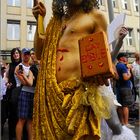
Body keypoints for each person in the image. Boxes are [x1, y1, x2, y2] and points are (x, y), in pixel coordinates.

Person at [32, 1, 136, 140]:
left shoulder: (96, 16)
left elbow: (103, 59)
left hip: (81, 94)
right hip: (52, 95)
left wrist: (118, 43)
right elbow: (40, 53)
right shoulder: (58, 21)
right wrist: (39, 20)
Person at [15, 48, 34, 140]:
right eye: (25, 54)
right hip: (24, 93)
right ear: (22, 55)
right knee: (22, 119)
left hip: (33, 93)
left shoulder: (32, 66)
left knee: (30, 120)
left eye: (28, 54)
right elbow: (24, 83)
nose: (26, 56)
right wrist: (30, 79)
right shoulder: (19, 67)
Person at [5, 48, 22, 140]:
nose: (15, 55)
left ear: (19, 54)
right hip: (11, 90)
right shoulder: (10, 65)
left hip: (21, 90)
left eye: (17, 53)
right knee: (12, 113)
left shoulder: (22, 65)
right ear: (12, 55)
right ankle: (12, 135)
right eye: (14, 53)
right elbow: (7, 77)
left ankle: (20, 134)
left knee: (20, 113)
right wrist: (7, 83)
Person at [116, 53, 135, 128]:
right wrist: (129, 71)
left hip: (118, 87)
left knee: (120, 106)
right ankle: (126, 123)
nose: (126, 58)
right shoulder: (123, 66)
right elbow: (126, 78)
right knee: (125, 106)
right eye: (125, 57)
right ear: (121, 58)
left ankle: (122, 122)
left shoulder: (117, 66)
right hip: (125, 88)